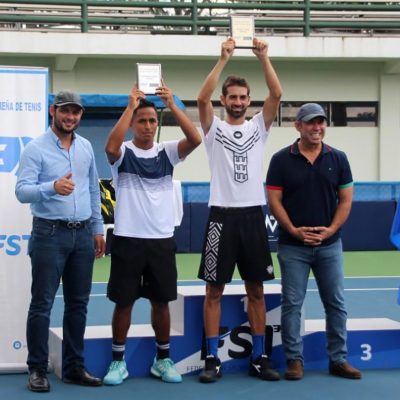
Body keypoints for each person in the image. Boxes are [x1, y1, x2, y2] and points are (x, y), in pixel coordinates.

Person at [196, 37, 283, 383]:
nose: (237, 102)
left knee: (256, 290)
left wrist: (264, 58)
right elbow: (201, 98)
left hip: (252, 217)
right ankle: (211, 359)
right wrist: (223, 59)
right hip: (221, 216)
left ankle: (260, 357)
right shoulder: (213, 129)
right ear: (224, 100)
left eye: (243, 97)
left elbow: (276, 94)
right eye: (232, 97)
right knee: (213, 291)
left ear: (249, 100)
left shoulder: (258, 128)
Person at [102, 84, 201, 385]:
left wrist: (172, 105)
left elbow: (195, 139)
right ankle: (118, 362)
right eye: (142, 121)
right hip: (128, 239)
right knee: (124, 303)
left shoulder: (167, 152)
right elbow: (109, 149)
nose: (147, 126)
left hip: (160, 240)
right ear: (133, 124)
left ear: (157, 124)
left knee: (161, 302)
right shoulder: (123, 153)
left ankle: (163, 359)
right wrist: (130, 106)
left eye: (152, 121)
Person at [15, 90, 106, 392]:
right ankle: (37, 369)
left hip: (83, 234)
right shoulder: (35, 149)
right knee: (42, 303)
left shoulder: (86, 147)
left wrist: (97, 228)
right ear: (53, 111)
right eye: (65, 111)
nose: (70, 117)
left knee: (78, 304)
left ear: (80, 115)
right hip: (49, 233)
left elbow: (92, 189)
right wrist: (52, 187)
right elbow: (22, 191)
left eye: (75, 112)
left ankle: (73, 368)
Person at [266, 103, 362, 380]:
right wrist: (293, 230)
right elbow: (274, 201)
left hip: (329, 246)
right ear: (298, 126)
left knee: (335, 303)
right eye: (310, 122)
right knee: (292, 305)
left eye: (320, 122)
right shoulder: (281, 159)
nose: (316, 127)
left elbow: (345, 200)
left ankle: (338, 360)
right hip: (292, 246)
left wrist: (330, 230)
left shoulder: (339, 158)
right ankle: (294, 361)